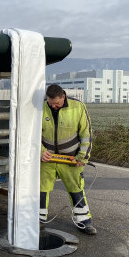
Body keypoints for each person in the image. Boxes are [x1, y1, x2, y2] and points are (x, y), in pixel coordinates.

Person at [40, 84, 96, 235]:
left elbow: (86, 134)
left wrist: (83, 157)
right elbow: (31, 133)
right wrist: (41, 151)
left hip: (71, 160)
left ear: (63, 97)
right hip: (47, 159)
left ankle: (84, 222)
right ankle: (38, 220)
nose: (53, 106)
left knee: (76, 190)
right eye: (50, 103)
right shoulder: (42, 107)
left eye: (56, 103)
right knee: (41, 190)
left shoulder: (78, 107)